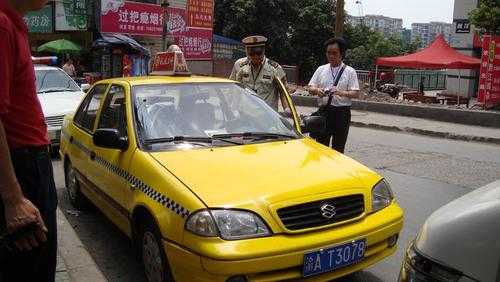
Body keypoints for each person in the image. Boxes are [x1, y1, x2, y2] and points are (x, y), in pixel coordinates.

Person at [0, 0, 58, 281]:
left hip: (29, 163)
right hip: (21, 167)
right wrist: (13, 199)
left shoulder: (13, 24)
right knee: (32, 268)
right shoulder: (2, 25)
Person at [307, 37, 360, 153]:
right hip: (325, 112)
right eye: (328, 53)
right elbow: (310, 87)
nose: (331, 56)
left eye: (334, 53)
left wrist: (340, 92)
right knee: (321, 147)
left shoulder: (350, 71)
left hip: (342, 114)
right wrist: (317, 91)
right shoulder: (321, 69)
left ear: (342, 54)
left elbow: (356, 93)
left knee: (338, 148)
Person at [229, 35, 288, 110]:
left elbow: (284, 91)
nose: (256, 56)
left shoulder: (275, 68)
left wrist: (287, 108)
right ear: (246, 52)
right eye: (252, 53)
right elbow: (233, 86)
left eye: (259, 53)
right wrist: (231, 108)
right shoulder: (239, 65)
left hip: (267, 114)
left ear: (263, 51)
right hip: (245, 112)